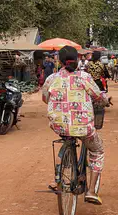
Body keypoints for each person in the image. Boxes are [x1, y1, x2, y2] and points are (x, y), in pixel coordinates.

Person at [42, 46, 108, 205]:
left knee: (66, 140)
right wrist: (105, 100)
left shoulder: (51, 78)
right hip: (83, 126)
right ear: (78, 60)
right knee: (97, 150)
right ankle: (91, 191)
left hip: (59, 125)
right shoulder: (84, 77)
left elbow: (45, 98)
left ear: (60, 61)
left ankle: (58, 178)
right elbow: (98, 96)